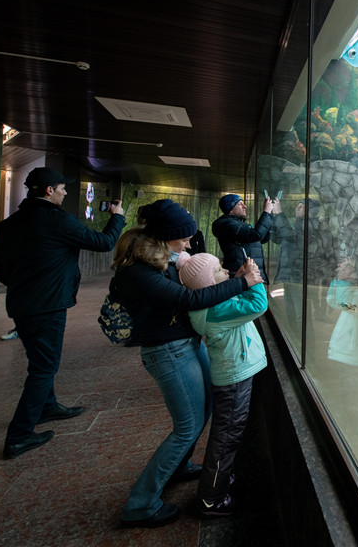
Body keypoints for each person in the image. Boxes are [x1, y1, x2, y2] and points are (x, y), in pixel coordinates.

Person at [110, 199, 263, 528]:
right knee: (187, 428)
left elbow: (198, 276)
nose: (190, 243)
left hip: (184, 345)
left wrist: (229, 276)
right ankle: (141, 503)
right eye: (185, 237)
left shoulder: (165, 258)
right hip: (167, 351)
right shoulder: (138, 271)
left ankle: (179, 467)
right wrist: (241, 283)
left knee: (204, 411)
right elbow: (188, 298)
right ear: (167, 236)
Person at [0, 167, 125, 459]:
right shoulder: (58, 221)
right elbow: (104, 243)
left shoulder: (8, 224)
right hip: (46, 306)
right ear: (49, 190)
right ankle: (19, 435)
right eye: (62, 188)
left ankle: (47, 406)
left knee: (40, 360)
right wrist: (118, 217)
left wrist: (24, 284)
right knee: (43, 368)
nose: (65, 192)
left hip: (22, 304)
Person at [176, 251, 268, 518]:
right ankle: (210, 498)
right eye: (219, 270)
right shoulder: (214, 309)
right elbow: (257, 305)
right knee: (227, 435)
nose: (226, 271)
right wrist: (254, 279)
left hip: (233, 374)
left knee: (228, 432)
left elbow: (225, 290)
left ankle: (218, 479)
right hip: (234, 378)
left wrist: (239, 277)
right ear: (207, 285)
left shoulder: (209, 302)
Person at [269, 198, 336, 331]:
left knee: (301, 315)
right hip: (290, 276)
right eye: (297, 206)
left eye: (302, 206)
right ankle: (295, 337)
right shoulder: (298, 224)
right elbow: (278, 238)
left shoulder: (311, 225)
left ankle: (307, 344)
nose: (297, 208)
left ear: (311, 211)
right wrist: (274, 218)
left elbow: (289, 236)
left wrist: (280, 213)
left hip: (300, 277)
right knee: (291, 312)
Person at [211, 193, 273, 283]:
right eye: (240, 204)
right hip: (242, 275)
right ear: (230, 210)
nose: (245, 206)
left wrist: (271, 217)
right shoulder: (228, 225)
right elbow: (256, 235)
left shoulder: (238, 224)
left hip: (250, 274)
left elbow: (260, 239)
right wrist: (266, 213)